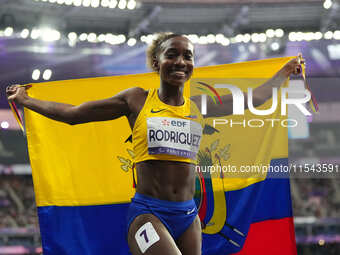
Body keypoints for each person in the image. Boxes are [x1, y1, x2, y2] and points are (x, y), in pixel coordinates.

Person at [6, 32, 303, 255]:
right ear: (156, 61)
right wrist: (27, 100)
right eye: (172, 54)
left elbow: (258, 98)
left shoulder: (198, 105)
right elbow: (73, 115)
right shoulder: (136, 100)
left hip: (188, 217)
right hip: (148, 214)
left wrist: (286, 72)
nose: (180, 62)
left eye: (188, 56)